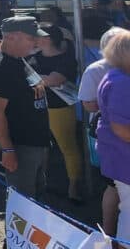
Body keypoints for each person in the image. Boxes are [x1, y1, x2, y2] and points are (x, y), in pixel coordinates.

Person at [0, 16, 51, 199]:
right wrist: (8, 150)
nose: (35, 42)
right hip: (21, 144)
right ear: (13, 37)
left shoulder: (18, 58)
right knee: (23, 203)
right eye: (31, 38)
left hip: (35, 142)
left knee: (35, 198)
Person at [29, 23, 82, 201]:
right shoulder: (33, 56)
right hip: (38, 107)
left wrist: (36, 79)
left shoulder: (66, 59)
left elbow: (54, 80)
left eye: (37, 36)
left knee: (68, 147)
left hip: (60, 108)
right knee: (41, 146)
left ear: (47, 39)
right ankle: (42, 180)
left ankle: (74, 187)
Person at [79, 27, 122, 236]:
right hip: (108, 136)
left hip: (111, 137)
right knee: (112, 184)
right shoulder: (96, 69)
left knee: (113, 184)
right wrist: (111, 108)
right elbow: (87, 103)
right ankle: (108, 231)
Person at [96, 27, 130, 246]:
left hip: (117, 156)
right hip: (124, 157)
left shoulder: (116, 76)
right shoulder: (123, 82)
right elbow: (122, 129)